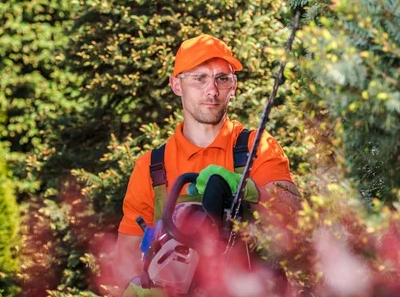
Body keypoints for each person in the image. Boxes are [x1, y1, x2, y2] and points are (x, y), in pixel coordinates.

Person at [113, 34, 301, 290]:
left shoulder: (256, 147)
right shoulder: (151, 168)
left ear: (233, 87)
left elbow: (296, 213)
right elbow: (125, 259)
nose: (212, 90)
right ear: (176, 85)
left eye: (221, 79)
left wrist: (249, 189)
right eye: (199, 78)